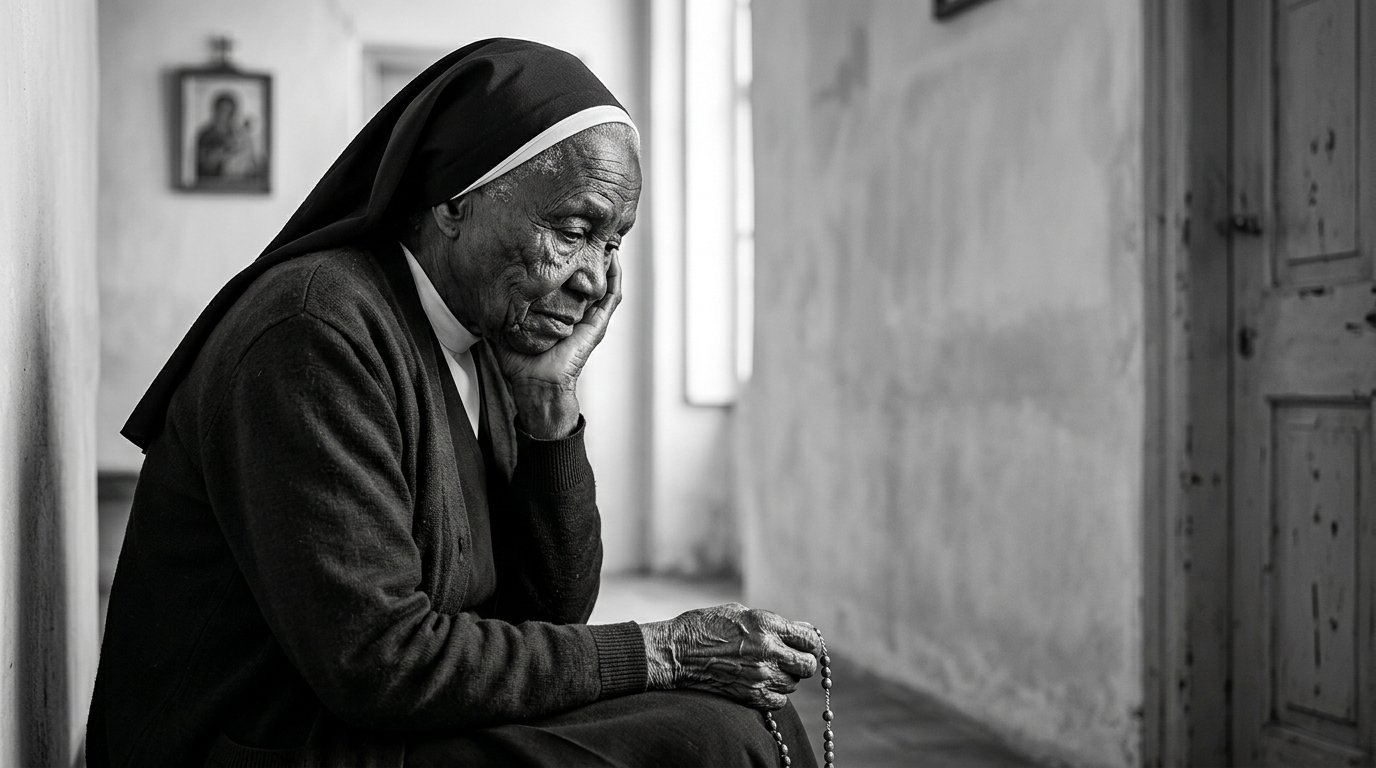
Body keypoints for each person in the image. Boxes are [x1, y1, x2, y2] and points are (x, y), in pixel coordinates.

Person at [88, 39, 821, 767]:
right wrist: (660, 649)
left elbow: (551, 612)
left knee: (748, 711)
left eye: (613, 243)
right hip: (259, 739)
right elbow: (380, 661)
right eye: (574, 230)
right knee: (714, 743)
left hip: (380, 714)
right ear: (451, 201)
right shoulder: (315, 331)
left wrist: (548, 403)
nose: (596, 280)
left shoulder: (487, 333)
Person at [195, 91, 262, 180]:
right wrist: (220, 155)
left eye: (228, 111)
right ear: (216, 110)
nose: (224, 115)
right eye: (222, 110)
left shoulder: (239, 134)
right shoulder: (205, 135)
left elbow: (250, 161)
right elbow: (202, 163)